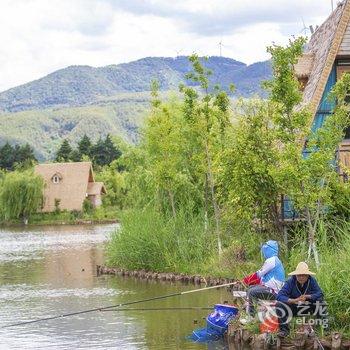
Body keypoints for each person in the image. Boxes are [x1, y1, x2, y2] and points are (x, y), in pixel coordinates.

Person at [276, 262, 327, 337]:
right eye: (299, 275)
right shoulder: (290, 282)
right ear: (295, 275)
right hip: (294, 308)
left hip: (308, 308)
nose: (301, 277)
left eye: (303, 275)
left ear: (307, 275)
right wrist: (294, 300)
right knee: (279, 305)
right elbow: (279, 296)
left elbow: (320, 293)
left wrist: (308, 296)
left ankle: (324, 329)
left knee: (321, 302)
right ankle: (284, 331)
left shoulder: (312, 281)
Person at [242, 240, 285, 318]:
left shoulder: (271, 260)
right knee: (251, 288)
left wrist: (246, 280)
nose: (264, 251)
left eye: (265, 249)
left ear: (269, 250)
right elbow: (262, 278)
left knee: (251, 292)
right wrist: (248, 281)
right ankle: (253, 311)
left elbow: (259, 274)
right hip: (272, 288)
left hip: (275, 291)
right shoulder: (275, 260)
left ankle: (250, 317)